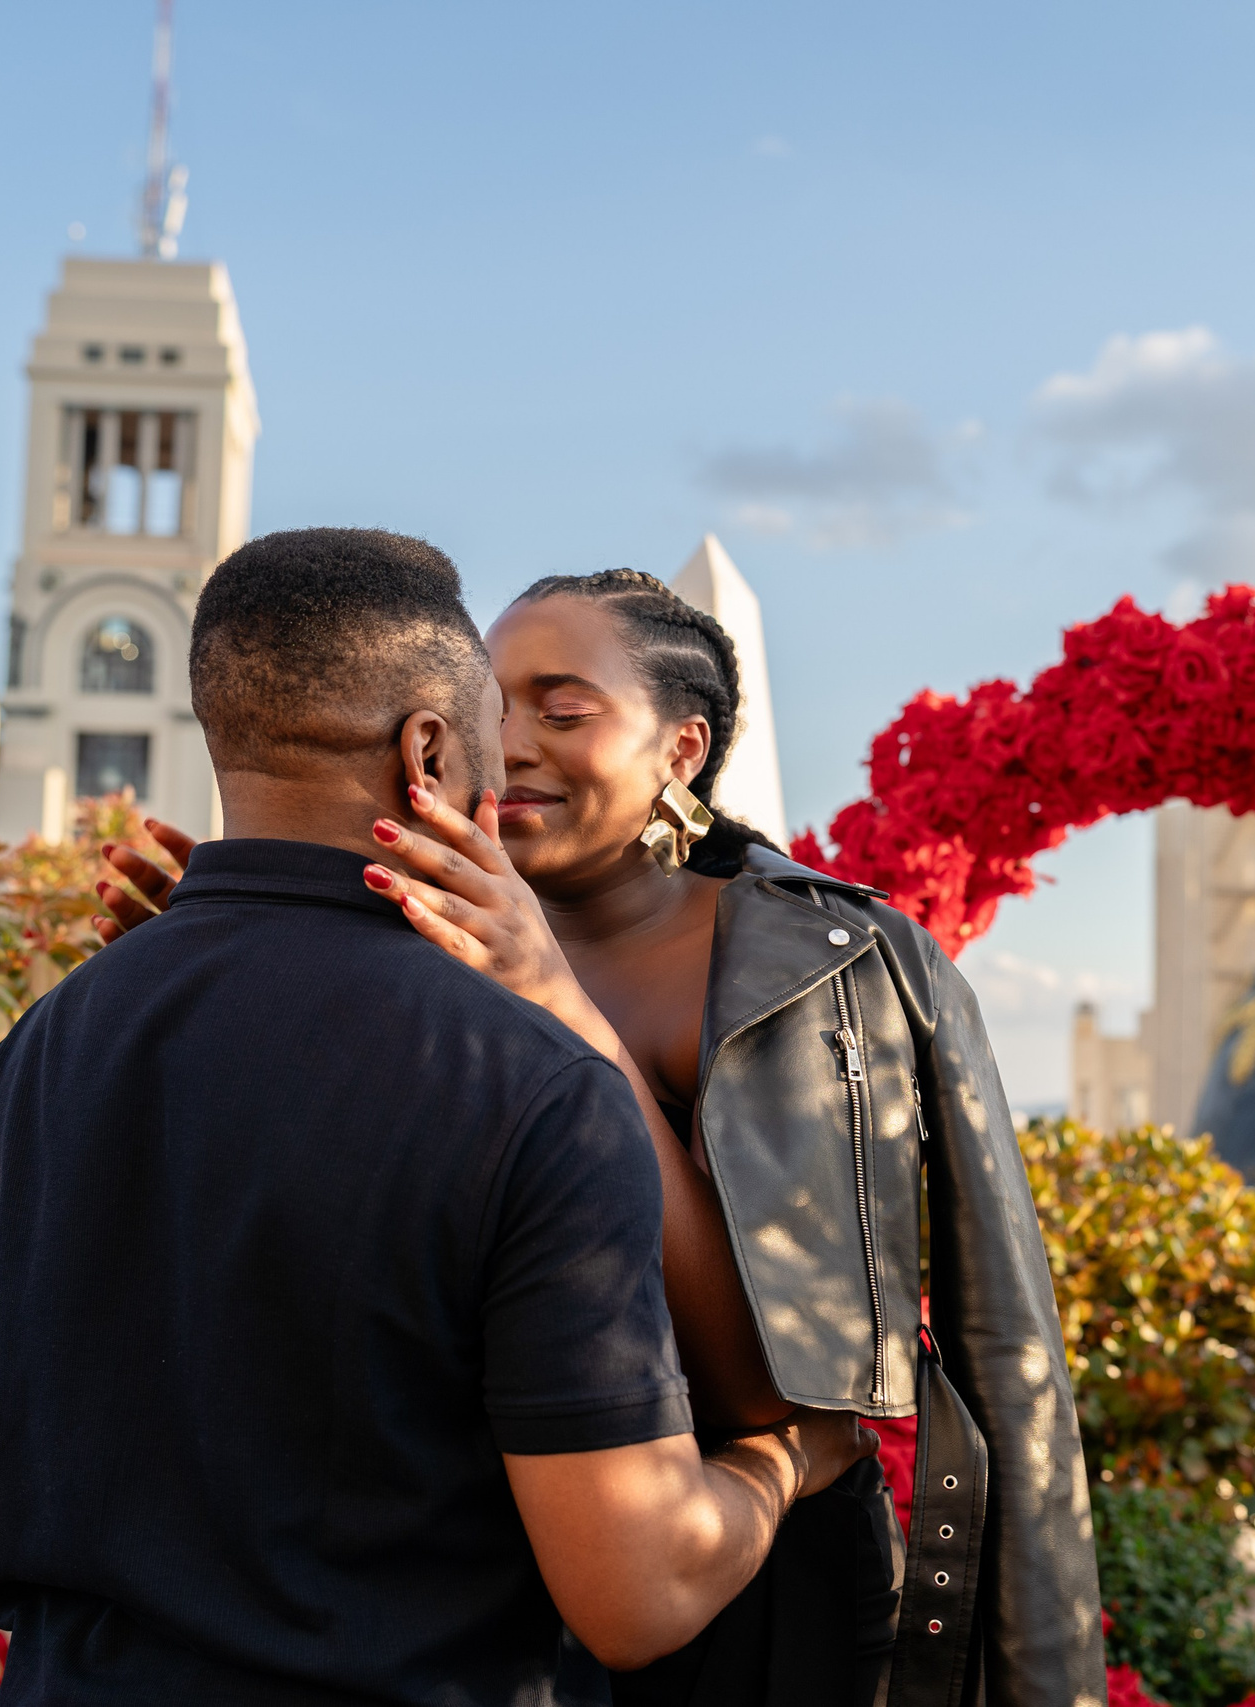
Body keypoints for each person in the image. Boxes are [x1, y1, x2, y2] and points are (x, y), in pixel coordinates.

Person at [97, 569, 1106, 1707]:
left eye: (562, 712)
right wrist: (242, 961)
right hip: (456, 1575)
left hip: (735, 1583)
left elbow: (790, 1385)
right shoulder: (411, 935)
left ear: (682, 750)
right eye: (489, 709)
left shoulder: (820, 965)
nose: (512, 744)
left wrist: (557, 1010)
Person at [0, 530, 876, 1706]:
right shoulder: (531, 1085)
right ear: (427, 750)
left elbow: (10, 1466)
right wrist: (786, 1455)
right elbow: (632, 1595)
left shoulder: (34, 1056)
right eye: (496, 716)